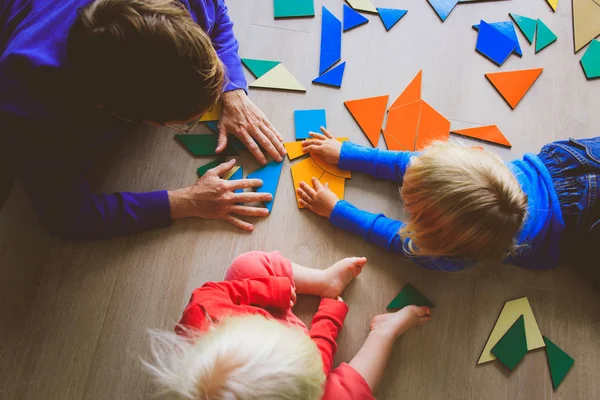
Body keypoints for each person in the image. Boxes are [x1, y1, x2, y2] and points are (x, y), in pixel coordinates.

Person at [0, 0, 286, 238]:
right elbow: (67, 217)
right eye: (187, 121)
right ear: (123, 114)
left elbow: (218, 13)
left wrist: (231, 88)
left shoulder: (181, 6)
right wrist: (187, 201)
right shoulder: (34, 107)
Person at [297, 128, 600, 271]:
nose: (408, 170)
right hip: (572, 163)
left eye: (409, 204)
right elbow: (410, 162)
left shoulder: (454, 256)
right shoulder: (475, 175)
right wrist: (347, 154)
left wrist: (338, 210)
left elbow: (396, 240)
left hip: (581, 224)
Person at [144, 251, 432, 399]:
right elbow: (316, 364)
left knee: (246, 266)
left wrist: (275, 289)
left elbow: (224, 290)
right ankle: (386, 331)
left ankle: (322, 281)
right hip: (300, 370)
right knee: (349, 394)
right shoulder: (304, 383)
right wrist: (330, 315)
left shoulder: (203, 311)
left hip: (262, 312)